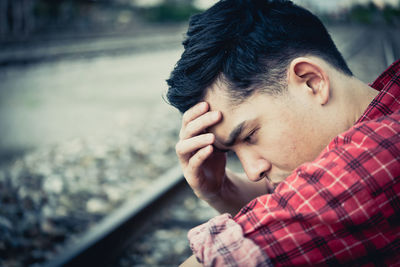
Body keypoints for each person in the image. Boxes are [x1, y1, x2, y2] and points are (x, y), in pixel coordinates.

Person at [166, 0, 400, 266]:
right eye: (232, 152)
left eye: (250, 136)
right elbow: (295, 203)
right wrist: (222, 192)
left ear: (311, 81)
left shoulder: (379, 157)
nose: (253, 171)